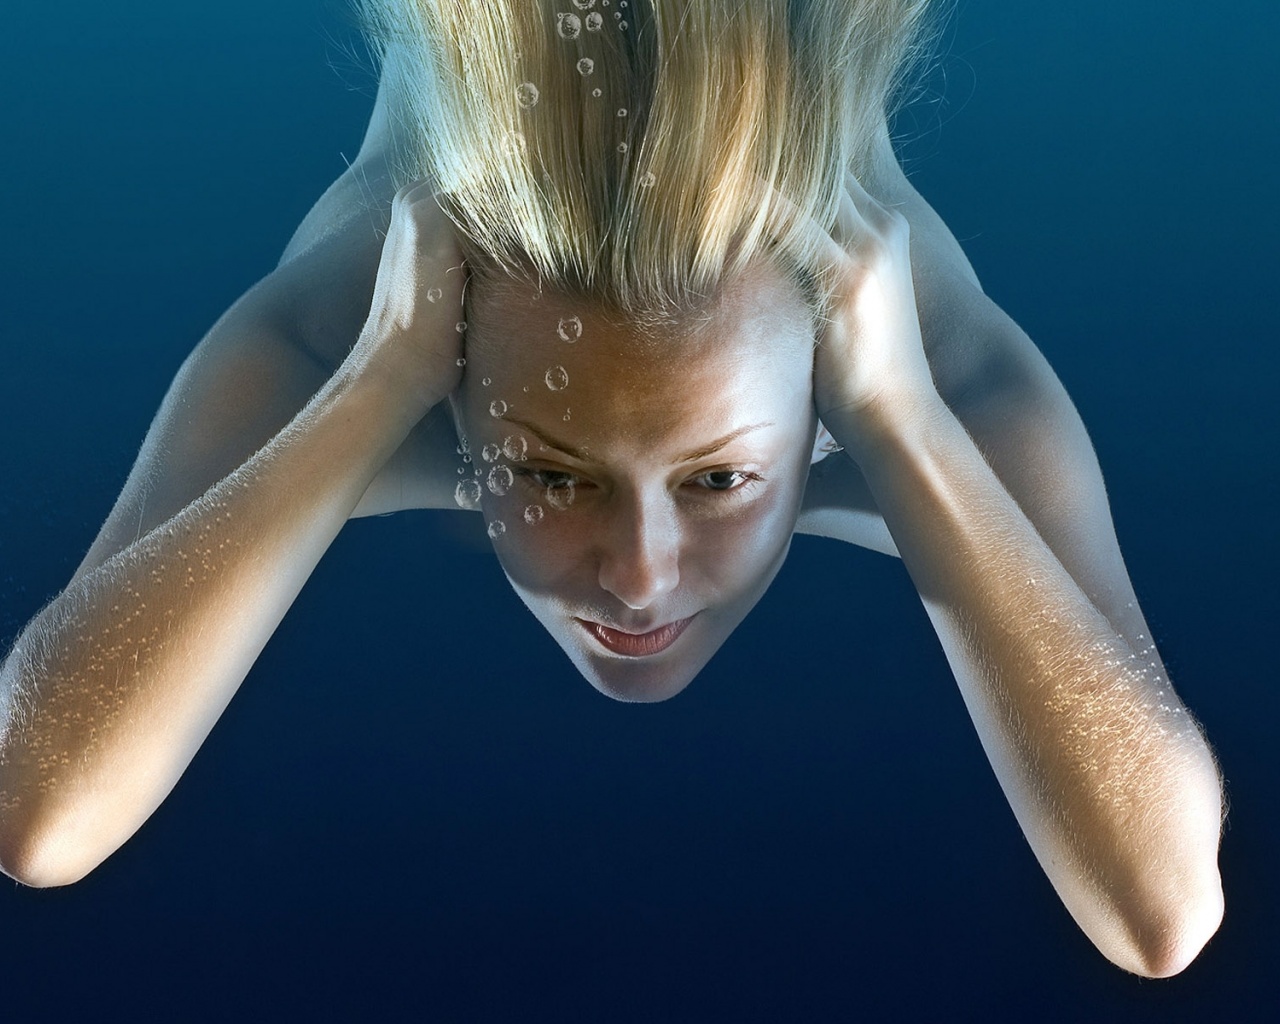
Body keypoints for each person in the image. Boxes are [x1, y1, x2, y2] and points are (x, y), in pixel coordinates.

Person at [0, 0, 1222, 977]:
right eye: (545, 470)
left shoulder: (932, 375)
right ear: (451, 383)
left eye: (721, 478)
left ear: (823, 411)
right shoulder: (346, 332)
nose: (639, 577)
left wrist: (903, 423)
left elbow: (1160, 910)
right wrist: (372, 385)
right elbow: (36, 816)